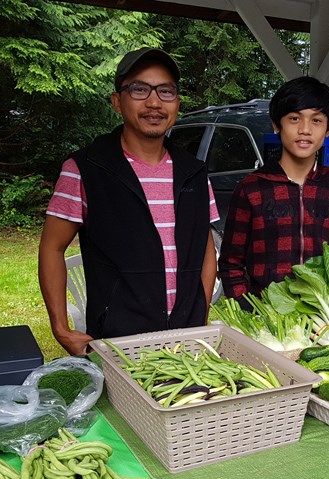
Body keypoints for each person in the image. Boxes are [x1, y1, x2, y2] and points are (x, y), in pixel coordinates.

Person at [39, 48, 219, 355]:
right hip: (117, 343)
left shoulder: (195, 172)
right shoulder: (85, 169)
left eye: (166, 91)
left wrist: (199, 317)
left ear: (177, 103)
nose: (154, 102)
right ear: (116, 102)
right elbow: (52, 247)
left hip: (187, 341)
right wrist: (61, 328)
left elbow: (205, 251)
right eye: (139, 89)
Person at [217, 76, 329, 305]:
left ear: (328, 130)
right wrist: (247, 309)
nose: (305, 129)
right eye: (294, 118)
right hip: (264, 316)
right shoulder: (251, 189)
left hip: (322, 316)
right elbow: (231, 263)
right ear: (276, 125)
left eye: (316, 120)